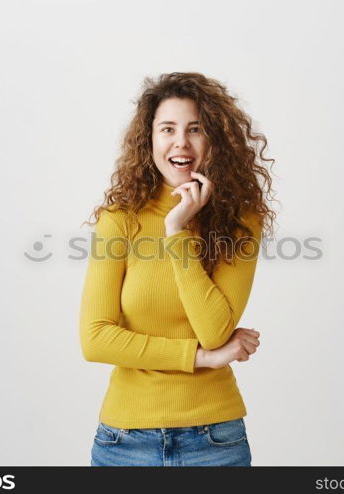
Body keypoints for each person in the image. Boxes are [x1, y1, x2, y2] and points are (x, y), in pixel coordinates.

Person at [79, 72, 277, 466]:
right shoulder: (120, 219)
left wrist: (176, 229)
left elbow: (215, 330)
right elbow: (95, 339)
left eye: (195, 129)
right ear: (149, 140)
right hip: (124, 442)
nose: (180, 142)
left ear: (214, 141)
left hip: (214, 441)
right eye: (167, 129)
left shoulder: (241, 220)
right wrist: (203, 359)